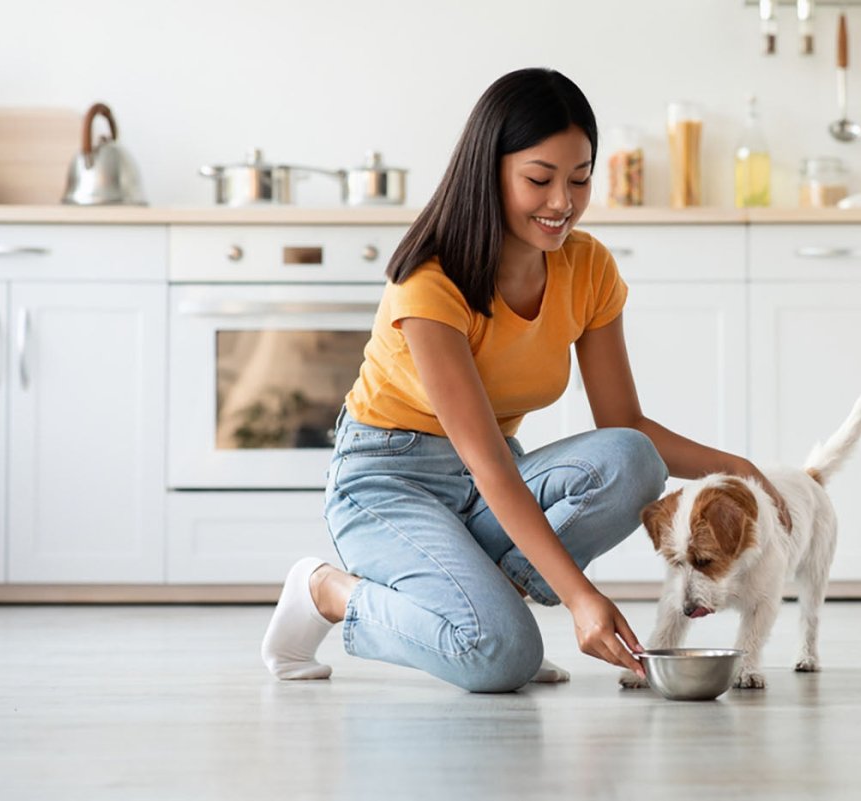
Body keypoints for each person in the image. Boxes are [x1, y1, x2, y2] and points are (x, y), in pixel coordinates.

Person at [260, 67, 788, 693]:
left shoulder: (586, 267)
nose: (561, 201)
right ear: (491, 171)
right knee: (500, 657)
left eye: (580, 178)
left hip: (486, 483)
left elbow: (626, 426)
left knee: (633, 460)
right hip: (388, 480)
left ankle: (489, 603)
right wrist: (580, 598)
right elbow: (488, 463)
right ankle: (328, 593)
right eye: (539, 179)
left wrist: (744, 471)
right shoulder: (431, 280)